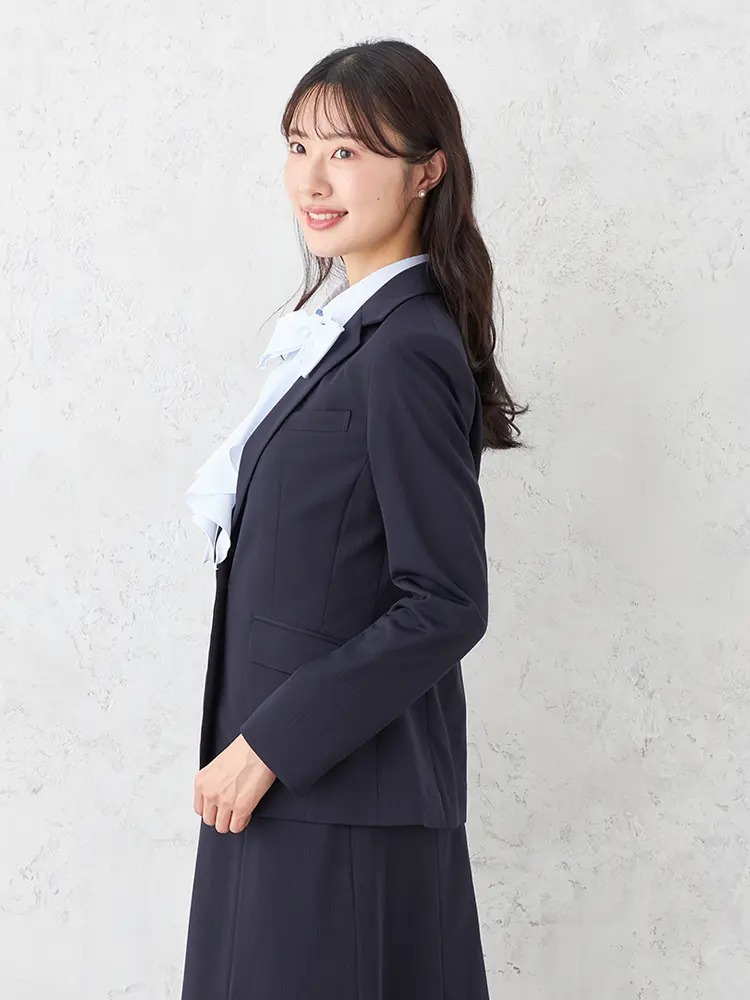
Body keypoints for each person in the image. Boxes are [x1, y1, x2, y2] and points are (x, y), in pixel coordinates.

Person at [180, 37, 526, 1000]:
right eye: (299, 147)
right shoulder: (346, 335)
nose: (314, 179)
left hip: (332, 801)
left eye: (347, 151)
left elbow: (445, 602)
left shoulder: (406, 347)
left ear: (427, 170)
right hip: (291, 795)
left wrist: (268, 745)